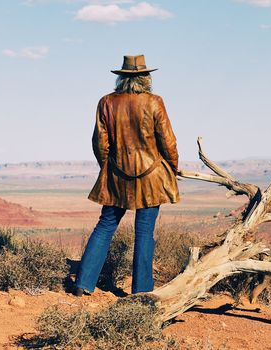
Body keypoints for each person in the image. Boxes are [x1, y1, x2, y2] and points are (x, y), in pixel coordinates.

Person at [75, 55, 179, 296]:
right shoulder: (154, 102)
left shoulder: (107, 102)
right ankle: (141, 292)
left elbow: (99, 143)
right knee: (144, 232)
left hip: (116, 176)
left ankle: (83, 284)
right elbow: (168, 142)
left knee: (105, 226)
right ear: (146, 78)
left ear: (121, 78)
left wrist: (109, 167)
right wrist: (171, 169)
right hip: (151, 178)